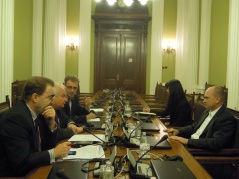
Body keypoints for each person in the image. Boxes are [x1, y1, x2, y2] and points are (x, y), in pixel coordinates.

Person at [0, 76, 72, 177]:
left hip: (36, 169)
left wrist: (51, 124)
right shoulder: (16, 118)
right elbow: (22, 162)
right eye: (50, 97)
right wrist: (53, 153)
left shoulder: (38, 113)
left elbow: (49, 144)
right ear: (35, 98)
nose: (52, 101)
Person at [164, 86, 236, 178]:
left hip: (204, 156)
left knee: (170, 168)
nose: (203, 101)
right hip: (191, 148)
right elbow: (195, 127)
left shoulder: (226, 118)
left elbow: (215, 143)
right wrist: (178, 131)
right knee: (165, 157)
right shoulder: (207, 111)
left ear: (217, 99)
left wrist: (187, 141)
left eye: (206, 98)